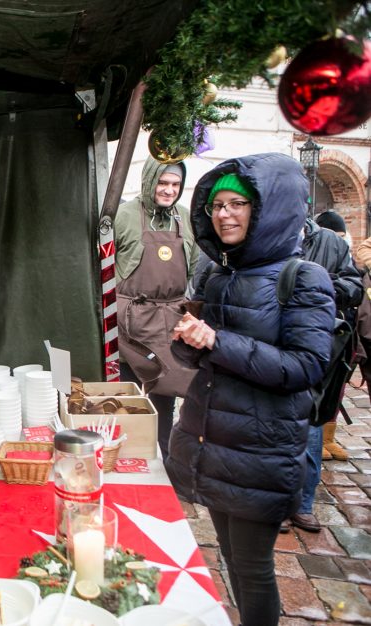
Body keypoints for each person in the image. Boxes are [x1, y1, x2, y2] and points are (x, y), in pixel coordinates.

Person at [167, 153, 336, 626]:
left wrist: (218, 340)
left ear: (269, 210)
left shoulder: (302, 278)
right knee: (227, 554)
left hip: (261, 448)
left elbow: (304, 367)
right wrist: (189, 341)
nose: (223, 214)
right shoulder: (217, 273)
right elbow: (201, 361)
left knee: (253, 568)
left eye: (237, 203)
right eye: (217, 204)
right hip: (212, 440)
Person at [281, 216, 363, 534]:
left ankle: (303, 504)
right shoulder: (271, 236)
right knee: (278, 430)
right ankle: (280, 506)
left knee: (311, 425)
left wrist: (317, 284)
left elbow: (354, 286)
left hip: (319, 346)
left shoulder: (330, 242)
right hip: (279, 343)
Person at [114, 159, 198, 459]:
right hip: (131, 324)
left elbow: (194, 269)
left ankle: (161, 462)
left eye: (175, 185)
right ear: (150, 181)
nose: (169, 190)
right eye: (163, 183)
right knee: (127, 399)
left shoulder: (186, 218)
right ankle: (123, 461)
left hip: (170, 323)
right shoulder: (122, 216)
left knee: (164, 400)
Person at [315, 209, 356, 462]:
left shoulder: (341, 253)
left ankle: (328, 437)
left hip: (342, 330)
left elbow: (353, 287)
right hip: (319, 329)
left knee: (336, 390)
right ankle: (317, 437)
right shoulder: (317, 247)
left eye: (342, 235)